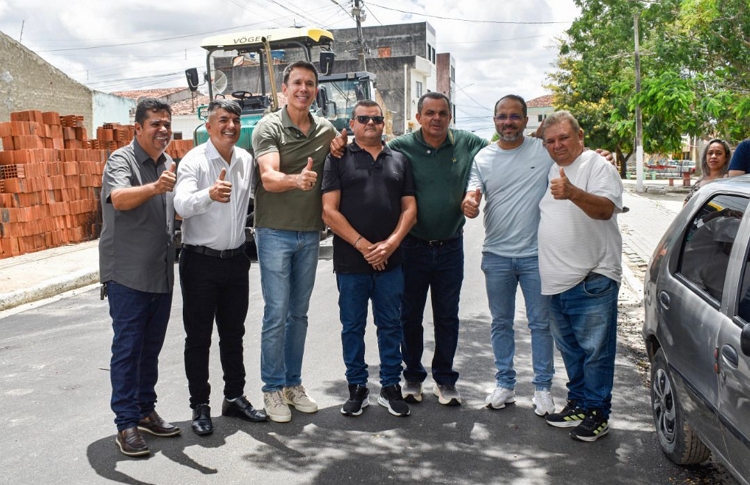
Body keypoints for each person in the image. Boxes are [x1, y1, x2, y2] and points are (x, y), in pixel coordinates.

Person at [331, 92, 488, 405]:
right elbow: (366, 147)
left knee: (447, 316)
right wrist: (338, 144)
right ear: (418, 117)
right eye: (430, 113)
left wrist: (535, 140)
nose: (436, 118)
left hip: (450, 246)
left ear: (450, 117)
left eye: (442, 113)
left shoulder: (467, 142)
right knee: (408, 317)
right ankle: (412, 377)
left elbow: (501, 150)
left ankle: (445, 380)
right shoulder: (401, 147)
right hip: (413, 246)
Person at [251, 60, 338, 423]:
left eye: (310, 83)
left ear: (316, 90)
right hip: (274, 232)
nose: (304, 89)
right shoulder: (269, 126)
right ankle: (272, 388)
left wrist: (343, 145)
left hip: (309, 232)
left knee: (298, 314)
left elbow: (341, 155)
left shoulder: (326, 129)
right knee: (276, 313)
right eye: (297, 83)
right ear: (284, 89)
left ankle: (292, 384)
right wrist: (295, 181)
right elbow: (269, 177)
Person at [174, 99, 267, 436]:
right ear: (209, 126)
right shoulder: (194, 160)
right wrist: (209, 194)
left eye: (236, 121)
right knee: (199, 338)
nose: (231, 126)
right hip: (200, 262)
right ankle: (200, 405)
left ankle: (234, 397)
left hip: (236, 261)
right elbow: (181, 204)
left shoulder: (245, 160)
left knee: (233, 334)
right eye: (223, 120)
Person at [321, 100, 417, 417]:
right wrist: (364, 246)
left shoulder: (399, 160)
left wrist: (389, 245)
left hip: (392, 261)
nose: (370, 123)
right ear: (352, 123)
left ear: (384, 123)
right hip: (351, 263)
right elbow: (329, 212)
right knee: (353, 327)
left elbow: (410, 210)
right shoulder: (337, 159)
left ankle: (390, 387)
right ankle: (357, 387)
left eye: (376, 118)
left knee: (390, 325)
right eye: (363, 119)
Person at [462, 95, 556, 416]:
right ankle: (505, 384)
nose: (508, 122)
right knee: (501, 323)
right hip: (497, 256)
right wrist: (469, 204)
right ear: (494, 120)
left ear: (526, 121)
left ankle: (543, 389)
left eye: (515, 116)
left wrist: (599, 156)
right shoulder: (483, 157)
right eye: (502, 116)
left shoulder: (542, 150)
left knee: (540, 324)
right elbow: (472, 194)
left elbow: (572, 153)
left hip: (536, 257)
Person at [100, 98, 180, 457]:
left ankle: (146, 410)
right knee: (128, 350)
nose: (163, 130)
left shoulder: (168, 163)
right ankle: (126, 423)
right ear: (138, 128)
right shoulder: (121, 160)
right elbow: (118, 198)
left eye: (167, 124)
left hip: (160, 272)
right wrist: (156, 188)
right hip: (127, 274)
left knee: (151, 349)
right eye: (155, 124)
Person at [537, 110, 623, 442]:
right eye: (550, 140)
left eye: (564, 137)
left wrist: (572, 192)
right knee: (572, 350)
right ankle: (579, 403)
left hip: (591, 277)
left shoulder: (597, 166)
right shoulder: (552, 168)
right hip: (557, 280)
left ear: (580, 135)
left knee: (596, 352)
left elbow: (605, 210)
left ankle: (598, 413)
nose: (557, 145)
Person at [684, 139, 732, 204]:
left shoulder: (729, 181)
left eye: (719, 153)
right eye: (710, 153)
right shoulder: (700, 181)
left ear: (726, 157)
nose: (713, 156)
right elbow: (686, 205)